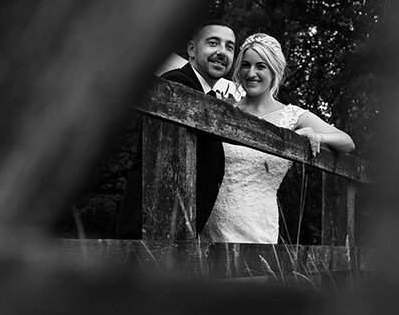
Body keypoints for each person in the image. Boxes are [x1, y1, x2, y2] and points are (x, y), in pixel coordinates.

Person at [201, 33, 355, 244]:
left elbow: (347, 142)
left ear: (274, 70)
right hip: (209, 222)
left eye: (260, 66)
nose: (251, 73)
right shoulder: (224, 109)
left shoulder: (292, 116)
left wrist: (313, 136)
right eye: (246, 65)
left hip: (257, 225)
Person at [115, 20, 236, 237]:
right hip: (152, 228)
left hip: (176, 230)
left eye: (229, 47)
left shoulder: (208, 96)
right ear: (191, 49)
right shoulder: (176, 84)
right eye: (213, 43)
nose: (222, 52)